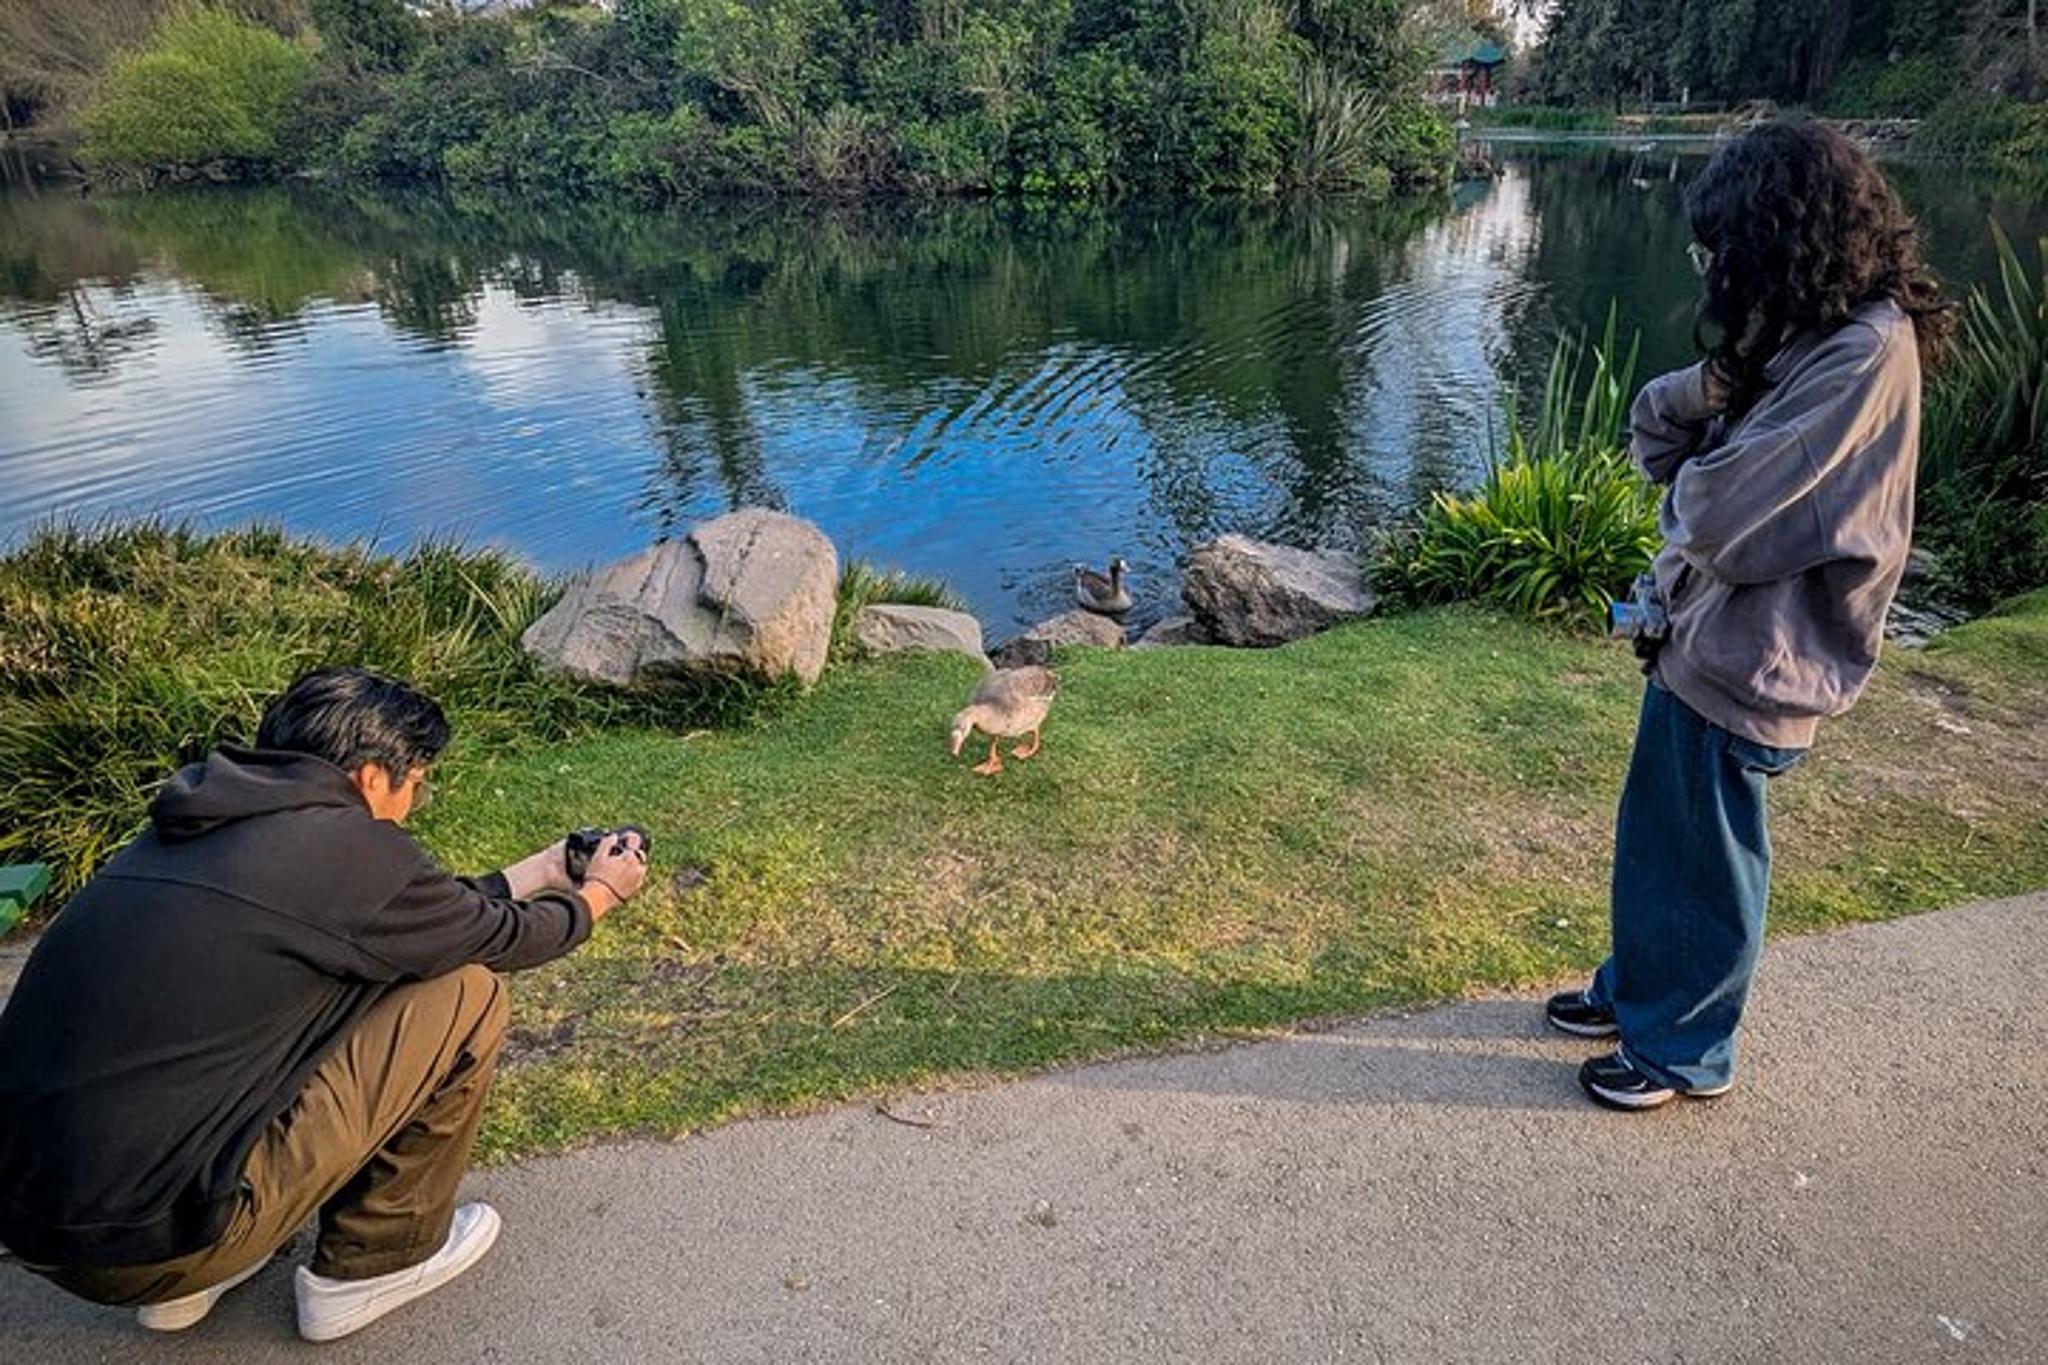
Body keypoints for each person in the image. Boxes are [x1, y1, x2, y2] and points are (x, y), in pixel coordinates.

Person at [0, 666, 650, 1339]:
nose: (411, 802)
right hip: (150, 1240)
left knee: (357, 982)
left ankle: (197, 1277)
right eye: (416, 782)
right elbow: (502, 939)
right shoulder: (347, 849)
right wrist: (600, 892)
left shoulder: (196, 826)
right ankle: (374, 1262)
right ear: (373, 775)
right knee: (467, 994)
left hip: (47, 1221)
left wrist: (543, 871)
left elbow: (411, 917)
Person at [1545, 123, 1953, 1110]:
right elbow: (1660, 440)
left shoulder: (1860, 348)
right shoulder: (1803, 326)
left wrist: (1700, 477)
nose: (1713, 270)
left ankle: (1681, 1050)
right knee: (1660, 838)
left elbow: (1712, 513)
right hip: (1701, 634)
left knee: (1709, 858)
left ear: (1778, 235)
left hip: (1760, 655)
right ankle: (1640, 993)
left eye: (1721, 247)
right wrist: (1707, 396)